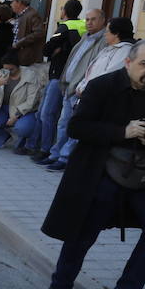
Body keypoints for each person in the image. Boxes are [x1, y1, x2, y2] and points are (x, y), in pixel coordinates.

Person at [43, 40, 145, 289]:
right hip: (100, 172)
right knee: (83, 233)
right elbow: (77, 127)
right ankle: (60, 286)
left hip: (142, 174)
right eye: (144, 64)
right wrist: (122, 132)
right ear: (128, 62)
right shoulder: (102, 86)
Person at [41, 9, 107, 170]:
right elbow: (72, 61)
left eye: (93, 19)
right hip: (69, 86)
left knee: (72, 125)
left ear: (103, 21)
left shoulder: (103, 42)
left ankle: (65, 158)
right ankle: (56, 154)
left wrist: (80, 86)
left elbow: (93, 68)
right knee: (63, 124)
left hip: (80, 90)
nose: (89, 23)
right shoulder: (86, 37)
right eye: (87, 19)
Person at [29, 0, 86, 160]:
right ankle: (38, 146)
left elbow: (47, 49)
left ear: (65, 12)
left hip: (58, 74)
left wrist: (57, 50)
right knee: (52, 114)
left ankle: (44, 149)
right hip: (72, 76)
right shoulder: (83, 26)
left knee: (47, 113)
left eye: (62, 8)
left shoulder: (64, 27)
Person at [0, 56, 45, 151]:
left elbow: (32, 100)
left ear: (18, 66)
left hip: (24, 111)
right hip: (3, 109)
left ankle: (26, 143)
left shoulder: (30, 76)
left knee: (23, 128)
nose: (8, 71)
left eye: (12, 69)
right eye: (6, 69)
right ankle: (4, 138)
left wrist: (16, 115)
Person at [8, 0, 46, 70]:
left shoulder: (32, 15)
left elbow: (39, 33)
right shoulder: (20, 15)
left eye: (13, 1)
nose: (11, 4)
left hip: (27, 59)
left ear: (19, 3)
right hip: (17, 55)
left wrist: (19, 43)